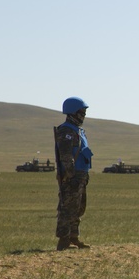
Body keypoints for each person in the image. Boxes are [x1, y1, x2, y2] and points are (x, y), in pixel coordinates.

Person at [55, 97, 93, 250]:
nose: (83, 115)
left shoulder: (79, 131)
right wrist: (70, 176)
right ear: (72, 112)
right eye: (81, 112)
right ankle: (64, 240)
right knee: (67, 208)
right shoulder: (66, 131)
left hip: (81, 174)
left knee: (78, 207)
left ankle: (74, 237)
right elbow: (65, 156)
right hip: (72, 176)